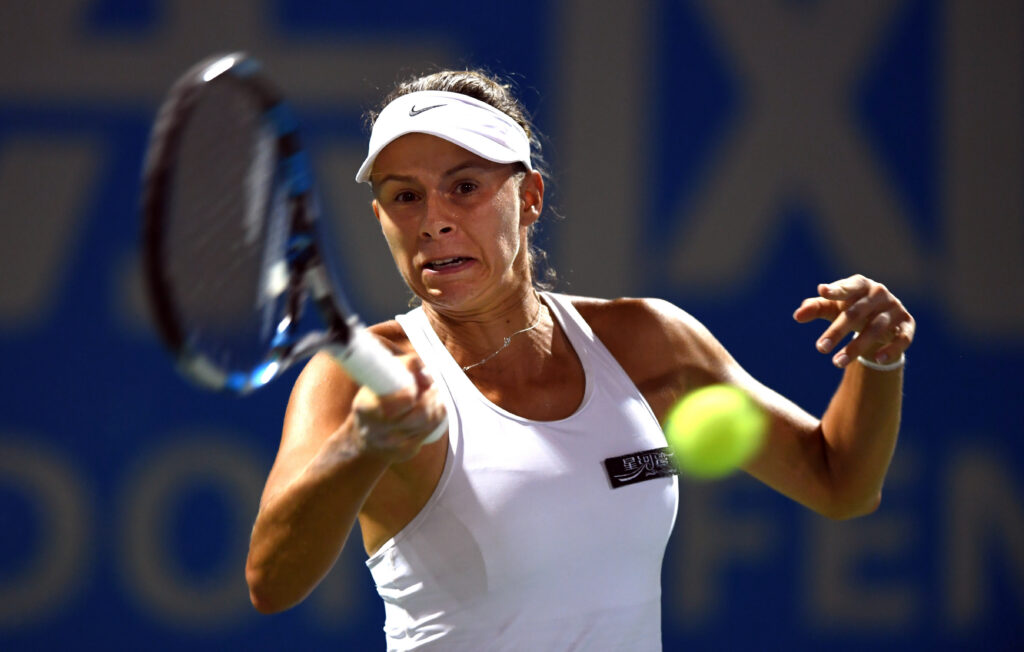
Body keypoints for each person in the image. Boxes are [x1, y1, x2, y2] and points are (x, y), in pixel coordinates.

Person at [244, 69, 915, 650]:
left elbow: (841, 485)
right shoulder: (351, 379)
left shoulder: (648, 342)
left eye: (465, 186)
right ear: (381, 217)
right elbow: (270, 583)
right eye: (405, 196)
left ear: (529, 197)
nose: (433, 219)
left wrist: (879, 361)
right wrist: (361, 445)